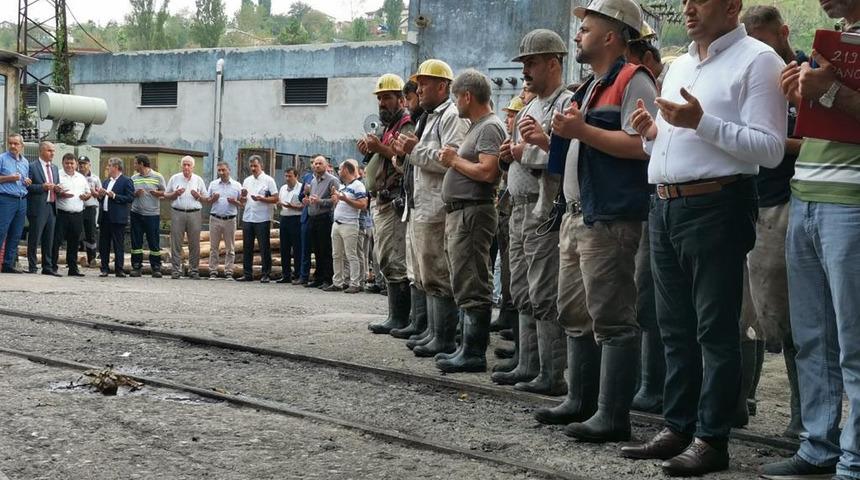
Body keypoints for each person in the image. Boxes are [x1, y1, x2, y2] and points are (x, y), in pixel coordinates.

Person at [621, 0, 787, 476]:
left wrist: (701, 122)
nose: (688, 8)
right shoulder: (679, 65)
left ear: (732, 6)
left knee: (714, 329)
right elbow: (674, 140)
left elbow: (770, 148)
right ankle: (678, 426)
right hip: (666, 203)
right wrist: (652, 133)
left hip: (717, 203)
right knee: (674, 326)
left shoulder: (758, 60)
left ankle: (712, 438)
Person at [532, 0, 658, 443]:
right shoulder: (586, 88)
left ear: (611, 34)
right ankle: (579, 400)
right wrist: (554, 140)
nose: (579, 35)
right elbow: (579, 151)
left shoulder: (633, 80)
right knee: (575, 311)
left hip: (609, 218)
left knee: (612, 316)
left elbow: (644, 147)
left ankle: (611, 414)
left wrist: (582, 131)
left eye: (586, 28)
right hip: (577, 216)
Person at [760, 2, 860, 479]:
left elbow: (841, 103)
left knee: (853, 338)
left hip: (851, 201)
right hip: (806, 193)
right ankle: (819, 445)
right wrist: (804, 95)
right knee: (813, 335)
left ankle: (854, 459)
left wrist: (832, 90)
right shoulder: (835, 41)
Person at [736, 4, 807, 435]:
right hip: (746, 201)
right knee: (744, 313)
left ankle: (802, 420)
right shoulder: (749, 78)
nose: (759, 50)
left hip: (784, 201)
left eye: (764, 41)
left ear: (783, 33)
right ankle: (742, 400)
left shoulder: (802, 76)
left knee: (789, 317)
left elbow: (817, 141)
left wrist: (772, 143)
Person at [492, 30, 574, 395]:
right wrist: (510, 152)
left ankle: (552, 374)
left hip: (545, 211)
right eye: (524, 64)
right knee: (522, 288)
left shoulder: (566, 103)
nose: (525, 71)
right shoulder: (530, 106)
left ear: (553, 63)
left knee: (544, 292)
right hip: (520, 208)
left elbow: (567, 156)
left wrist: (526, 152)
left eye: (531, 63)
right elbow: (524, 149)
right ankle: (528, 363)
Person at [392, 58, 469, 358]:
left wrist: (415, 150)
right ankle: (431, 331)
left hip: (436, 207)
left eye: (425, 83)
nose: (419, 89)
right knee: (424, 274)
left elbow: (449, 159)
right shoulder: (429, 117)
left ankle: (443, 336)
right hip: (420, 205)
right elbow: (424, 156)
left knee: (437, 273)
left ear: (442, 86)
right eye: (419, 83)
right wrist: (405, 154)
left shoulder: (451, 116)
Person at [434, 69, 504, 373]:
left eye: (455, 97)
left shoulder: (489, 128)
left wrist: (453, 161)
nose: (455, 104)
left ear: (467, 96)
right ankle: (466, 346)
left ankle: (474, 352)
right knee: (464, 279)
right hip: (463, 212)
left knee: (473, 279)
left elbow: (489, 172)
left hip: (473, 212)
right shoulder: (478, 126)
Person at [360, 73, 415, 333]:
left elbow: (403, 156)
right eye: (380, 98)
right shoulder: (387, 126)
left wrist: (380, 148)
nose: (382, 103)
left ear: (400, 99)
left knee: (394, 259)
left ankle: (401, 318)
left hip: (394, 200)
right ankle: (395, 315)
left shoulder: (406, 123)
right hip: (380, 200)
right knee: (383, 257)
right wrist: (369, 148)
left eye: (387, 98)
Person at [327, 160, 368, 293]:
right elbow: (340, 203)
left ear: (345, 170)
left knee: (351, 254)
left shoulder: (358, 186)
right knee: (336, 254)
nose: (338, 172)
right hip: (337, 223)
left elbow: (363, 205)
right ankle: (338, 282)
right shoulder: (342, 186)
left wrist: (345, 199)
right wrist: (336, 200)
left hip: (350, 224)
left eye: (340, 169)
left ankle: (355, 283)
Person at [164, 156, 208, 279]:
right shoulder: (175, 178)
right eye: (184, 165)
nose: (186, 167)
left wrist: (198, 196)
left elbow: (206, 198)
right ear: (181, 166)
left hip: (194, 213)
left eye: (189, 165)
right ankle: (176, 270)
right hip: (178, 212)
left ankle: (193, 270)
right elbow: (166, 195)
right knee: (176, 242)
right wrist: (175, 193)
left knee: (194, 243)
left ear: (193, 167)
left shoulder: (198, 180)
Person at [237, 155, 278, 283]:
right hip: (248, 217)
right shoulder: (247, 180)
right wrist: (242, 197)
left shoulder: (268, 180)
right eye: (251, 166)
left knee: (264, 247)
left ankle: (266, 273)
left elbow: (275, 198)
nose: (253, 168)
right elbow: (243, 201)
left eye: (255, 166)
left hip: (262, 218)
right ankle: (247, 273)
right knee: (247, 246)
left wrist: (262, 199)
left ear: (261, 166)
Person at [93, 158, 134, 277]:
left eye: (109, 166)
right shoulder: (106, 182)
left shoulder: (126, 181)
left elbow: (130, 198)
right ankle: (104, 268)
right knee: (104, 244)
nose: (107, 168)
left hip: (117, 218)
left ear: (116, 167)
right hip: (105, 217)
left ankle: (119, 269)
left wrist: (114, 196)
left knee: (118, 244)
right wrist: (99, 195)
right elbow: (102, 199)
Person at [304, 155, 340, 289]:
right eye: (315, 163)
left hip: (325, 218)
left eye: (320, 163)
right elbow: (312, 199)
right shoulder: (313, 181)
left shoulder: (333, 181)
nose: (316, 165)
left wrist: (320, 201)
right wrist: (308, 202)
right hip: (313, 217)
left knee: (326, 249)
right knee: (316, 250)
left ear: (326, 165)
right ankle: (318, 278)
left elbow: (335, 200)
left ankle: (327, 278)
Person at [52, 153, 91, 277]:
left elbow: (88, 192)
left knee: (74, 242)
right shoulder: (57, 175)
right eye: (67, 163)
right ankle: (52, 266)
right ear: (63, 163)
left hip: (77, 214)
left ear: (76, 165)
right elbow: (53, 190)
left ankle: (73, 268)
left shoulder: (81, 177)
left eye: (72, 163)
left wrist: (86, 196)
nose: (69, 165)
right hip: (62, 214)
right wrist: (59, 193)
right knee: (56, 241)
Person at [26, 141, 61, 276]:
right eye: (49, 151)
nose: (52, 153)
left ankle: (47, 267)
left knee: (49, 239)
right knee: (35, 238)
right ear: (41, 151)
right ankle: (32, 266)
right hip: (38, 207)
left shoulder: (55, 168)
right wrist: (42, 187)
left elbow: (55, 184)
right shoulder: (32, 167)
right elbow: (27, 186)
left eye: (53, 151)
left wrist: (57, 188)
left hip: (51, 207)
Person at [129, 154, 166, 278]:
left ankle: (156, 267)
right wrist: (135, 193)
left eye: (135, 163)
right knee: (136, 242)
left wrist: (157, 193)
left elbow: (164, 193)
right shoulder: (134, 178)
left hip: (152, 214)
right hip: (136, 214)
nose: (134, 165)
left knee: (154, 241)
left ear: (141, 164)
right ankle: (136, 266)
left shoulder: (157, 177)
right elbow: (129, 194)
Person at [204, 161, 242, 280]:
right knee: (213, 247)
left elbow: (243, 204)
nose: (221, 172)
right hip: (215, 218)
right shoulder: (213, 184)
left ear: (229, 170)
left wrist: (235, 202)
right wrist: (212, 199)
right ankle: (213, 271)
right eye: (219, 170)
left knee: (230, 247)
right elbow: (207, 200)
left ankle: (229, 271)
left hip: (230, 219)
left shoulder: (237, 185)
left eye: (223, 170)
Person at [0, 133, 30, 274]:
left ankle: (8, 264)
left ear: (21, 146)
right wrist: (8, 178)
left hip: (21, 200)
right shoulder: (2, 159)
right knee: (1, 231)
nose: (12, 146)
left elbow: (24, 180)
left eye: (16, 144)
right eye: (10, 143)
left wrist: (27, 181)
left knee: (16, 233)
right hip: (6, 199)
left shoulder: (25, 162)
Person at [277, 167, 303, 283]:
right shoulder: (282, 188)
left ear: (296, 176)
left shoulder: (302, 188)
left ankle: (298, 274)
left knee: (297, 248)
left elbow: (305, 205)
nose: (287, 179)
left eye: (290, 176)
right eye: (286, 176)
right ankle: (286, 274)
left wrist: (293, 207)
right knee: (284, 248)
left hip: (296, 218)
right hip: (284, 218)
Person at [77, 156, 100, 268]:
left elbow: (100, 194)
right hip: (78, 207)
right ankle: (73, 259)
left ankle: (92, 259)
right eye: (80, 163)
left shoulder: (95, 178)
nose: (82, 166)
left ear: (89, 165)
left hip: (90, 208)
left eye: (84, 164)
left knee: (90, 233)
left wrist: (95, 193)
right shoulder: (75, 177)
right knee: (76, 233)